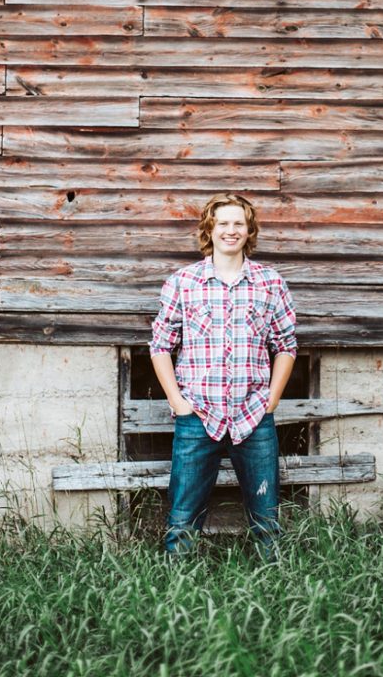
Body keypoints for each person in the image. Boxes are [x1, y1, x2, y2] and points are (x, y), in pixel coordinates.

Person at [149, 192, 297, 559]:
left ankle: (276, 581)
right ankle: (174, 582)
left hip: (253, 414)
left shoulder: (270, 282)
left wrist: (271, 400)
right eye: (223, 223)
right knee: (183, 513)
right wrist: (177, 402)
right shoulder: (183, 282)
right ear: (209, 229)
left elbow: (286, 345)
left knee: (266, 514)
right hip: (198, 414)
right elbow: (160, 345)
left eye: (239, 224)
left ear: (249, 231)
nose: (231, 231)